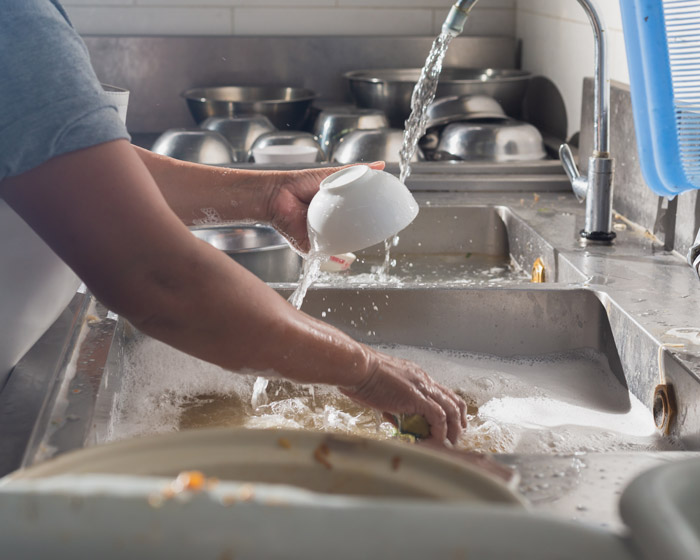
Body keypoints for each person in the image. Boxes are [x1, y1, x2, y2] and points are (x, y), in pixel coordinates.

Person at [0, 0, 467, 444]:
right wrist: (364, 369)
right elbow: (161, 280)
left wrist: (267, 196)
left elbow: (82, 171)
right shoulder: (18, 24)